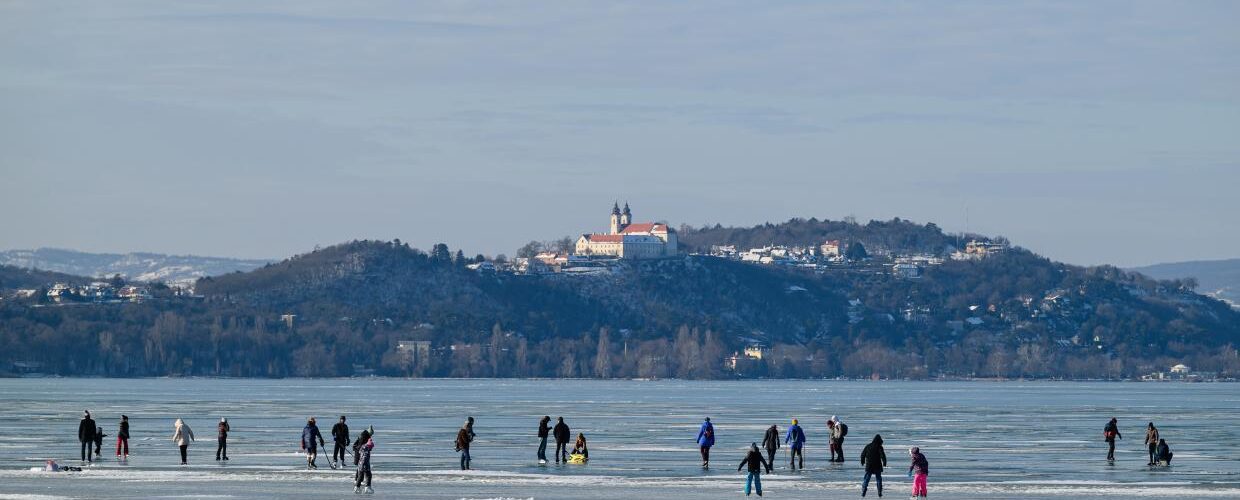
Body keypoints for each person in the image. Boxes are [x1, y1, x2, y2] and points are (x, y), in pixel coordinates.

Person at [354, 429, 375, 494]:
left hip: (360, 464)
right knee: (369, 475)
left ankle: (357, 487)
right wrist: (366, 465)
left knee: (360, 476)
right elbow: (365, 458)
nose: (371, 448)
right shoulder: (366, 449)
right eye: (371, 447)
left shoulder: (363, 447)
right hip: (364, 464)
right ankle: (367, 487)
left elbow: (359, 452)